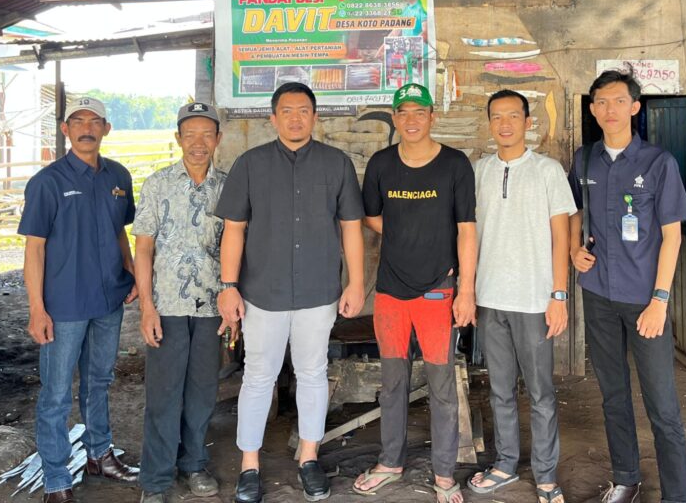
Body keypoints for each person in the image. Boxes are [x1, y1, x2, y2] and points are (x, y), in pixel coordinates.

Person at [215, 82, 366, 503]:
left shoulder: (336, 164)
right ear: (273, 117)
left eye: (303, 111)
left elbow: (351, 228)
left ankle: (309, 457)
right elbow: (234, 229)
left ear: (315, 117)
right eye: (287, 111)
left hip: (319, 292)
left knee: (313, 373)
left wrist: (356, 282)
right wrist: (228, 287)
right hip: (262, 292)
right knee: (258, 376)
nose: (295, 118)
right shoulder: (250, 164)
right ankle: (249, 465)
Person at [568, 71, 686, 503]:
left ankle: (676, 495)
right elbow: (574, 212)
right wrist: (575, 249)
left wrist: (660, 300)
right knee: (613, 394)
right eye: (602, 102)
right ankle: (626, 479)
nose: (610, 109)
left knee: (662, 403)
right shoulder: (584, 159)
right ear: (592, 109)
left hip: (644, 299)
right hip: (598, 293)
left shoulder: (659, 163)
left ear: (635, 107)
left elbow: (672, 236)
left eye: (619, 101)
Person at [353, 82, 476, 503]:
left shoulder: (455, 164)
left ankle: (444, 473)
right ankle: (390, 462)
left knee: (441, 385)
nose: (411, 120)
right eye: (403, 112)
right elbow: (371, 216)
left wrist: (466, 290)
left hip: (438, 290)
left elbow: (467, 229)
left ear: (431, 117)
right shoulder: (381, 163)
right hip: (390, 291)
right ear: (394, 118)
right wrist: (408, 232)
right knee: (392, 383)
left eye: (419, 112)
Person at [20, 96, 139, 503]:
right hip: (64, 305)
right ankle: (56, 478)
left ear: (106, 129)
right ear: (65, 129)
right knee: (56, 393)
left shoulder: (118, 176)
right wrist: (37, 309)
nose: (87, 128)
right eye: (78, 121)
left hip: (108, 299)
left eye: (94, 121)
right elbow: (34, 249)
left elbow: (120, 230)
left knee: (99, 382)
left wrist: (131, 273)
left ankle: (99, 455)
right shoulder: (47, 183)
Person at [468, 90, 577, 503]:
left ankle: (546, 475)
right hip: (490, 297)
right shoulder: (478, 171)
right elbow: (467, 234)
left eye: (513, 116)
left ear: (528, 122)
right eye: (497, 116)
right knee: (499, 389)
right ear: (489, 123)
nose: (505, 124)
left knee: (541, 392)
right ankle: (505, 463)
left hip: (534, 300)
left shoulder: (548, 170)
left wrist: (558, 294)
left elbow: (561, 236)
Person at [132, 102, 228, 503]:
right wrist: (146, 307)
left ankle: (193, 464)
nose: (198, 143)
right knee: (164, 395)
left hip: (211, 308)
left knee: (203, 393)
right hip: (167, 307)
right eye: (190, 135)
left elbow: (236, 248)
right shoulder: (157, 185)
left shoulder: (228, 187)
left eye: (207, 134)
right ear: (178, 139)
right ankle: (155, 479)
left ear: (218, 139)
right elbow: (143, 249)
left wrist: (232, 302)